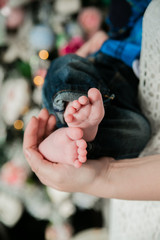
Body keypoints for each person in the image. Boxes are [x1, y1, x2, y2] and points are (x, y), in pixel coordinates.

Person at [23, 0, 158, 200]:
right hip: (104, 69)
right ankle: (72, 106)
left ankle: (79, 132)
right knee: (66, 65)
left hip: (124, 104)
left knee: (138, 131)